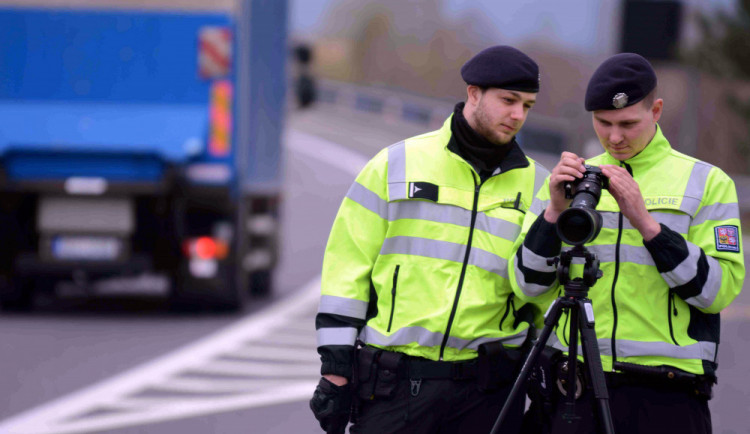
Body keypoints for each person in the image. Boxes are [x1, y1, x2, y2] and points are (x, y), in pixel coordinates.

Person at [309, 45, 551, 434]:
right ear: (474, 92)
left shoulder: (540, 185)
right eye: (508, 100)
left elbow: (542, 294)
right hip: (396, 387)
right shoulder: (395, 164)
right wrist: (336, 371)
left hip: (488, 393)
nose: (518, 115)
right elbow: (346, 272)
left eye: (527, 105)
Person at [510, 53, 745, 433]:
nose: (614, 137)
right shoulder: (572, 180)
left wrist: (647, 224)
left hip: (663, 393)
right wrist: (554, 212)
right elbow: (527, 285)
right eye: (603, 123)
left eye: (627, 123)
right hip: (574, 381)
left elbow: (716, 292)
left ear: (656, 110)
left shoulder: (707, 183)